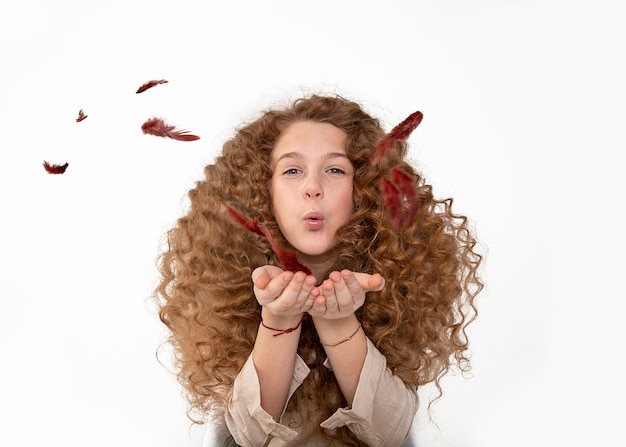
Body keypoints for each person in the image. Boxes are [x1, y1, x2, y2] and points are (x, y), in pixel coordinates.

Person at [153, 93, 483, 447]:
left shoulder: (396, 284)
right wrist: (279, 320)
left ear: (365, 190)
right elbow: (247, 437)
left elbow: (393, 434)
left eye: (335, 170)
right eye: (293, 170)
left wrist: (339, 322)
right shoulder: (225, 288)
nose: (313, 188)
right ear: (263, 191)